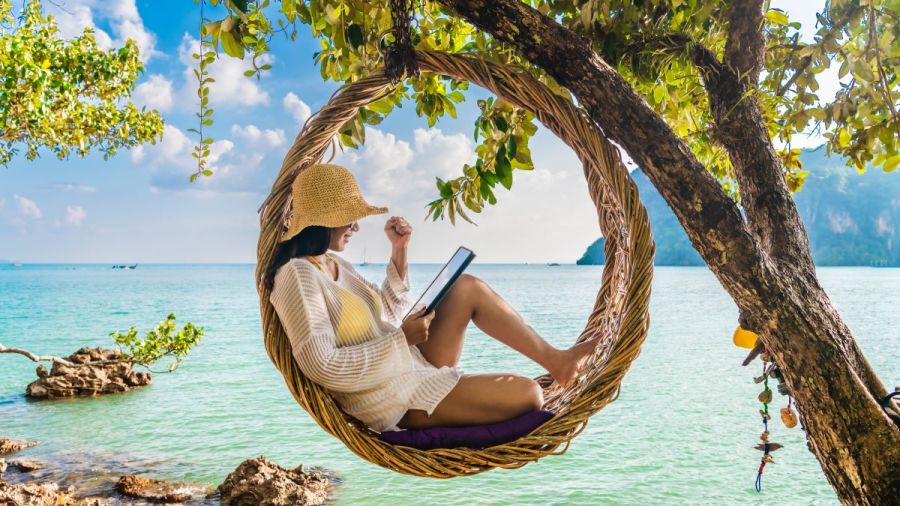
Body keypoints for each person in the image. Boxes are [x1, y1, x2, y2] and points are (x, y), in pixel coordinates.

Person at [265, 163, 599, 433]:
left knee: (466, 286)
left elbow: (388, 316)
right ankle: (462, 391)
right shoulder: (296, 275)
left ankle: (557, 361)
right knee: (529, 394)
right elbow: (320, 365)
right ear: (323, 220)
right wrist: (400, 340)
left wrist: (400, 252)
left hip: (409, 364)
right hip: (389, 398)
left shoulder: (335, 263)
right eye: (349, 218)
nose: (354, 227)